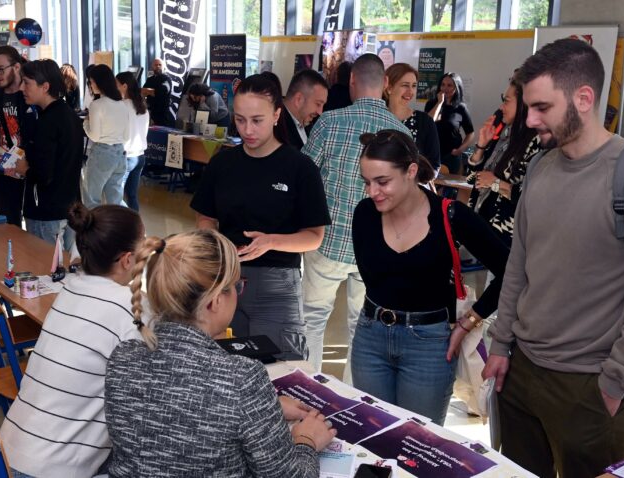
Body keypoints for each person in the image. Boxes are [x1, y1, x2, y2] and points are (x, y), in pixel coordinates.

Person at [482, 38, 624, 478]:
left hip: (589, 388)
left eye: (542, 107)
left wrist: (615, 382)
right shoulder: (540, 168)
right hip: (520, 374)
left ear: (584, 98)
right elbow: (520, 264)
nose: (530, 119)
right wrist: (502, 345)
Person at [104, 229, 336, 476]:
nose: (238, 292)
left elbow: (179, 411)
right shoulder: (241, 378)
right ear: (214, 301)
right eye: (236, 285)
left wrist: (263, 411)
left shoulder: (123, 357)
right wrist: (307, 441)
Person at [351, 130, 508, 424]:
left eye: (383, 181)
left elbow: (510, 271)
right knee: (373, 440)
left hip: (429, 344)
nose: (373, 192)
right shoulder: (365, 215)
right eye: (367, 182)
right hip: (370, 338)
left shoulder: (450, 215)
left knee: (418, 444)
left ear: (411, 171)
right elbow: (375, 280)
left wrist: (470, 321)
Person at [0, 203, 145, 478]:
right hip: (54, 468)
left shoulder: (69, 289)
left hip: (11, 450)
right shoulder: (128, 307)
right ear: (127, 259)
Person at [191, 74, 331, 361]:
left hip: (278, 285)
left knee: (282, 372)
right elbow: (205, 219)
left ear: (277, 114)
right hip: (226, 280)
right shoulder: (222, 164)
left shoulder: (300, 168)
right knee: (226, 369)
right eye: (240, 120)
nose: (247, 129)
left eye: (257, 120)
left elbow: (314, 237)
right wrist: (217, 245)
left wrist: (270, 241)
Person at [301, 53, 410, 380]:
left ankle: (310, 390)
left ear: (351, 81)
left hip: (327, 243)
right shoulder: (401, 133)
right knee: (360, 327)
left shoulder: (330, 122)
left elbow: (305, 177)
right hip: (375, 250)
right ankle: (352, 399)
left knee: (312, 319)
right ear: (386, 84)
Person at [12, 59, 84, 245]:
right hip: (69, 207)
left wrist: (24, 169)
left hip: (46, 211)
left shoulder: (47, 122)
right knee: (65, 269)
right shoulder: (69, 115)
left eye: (27, 83)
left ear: (45, 87)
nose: (22, 89)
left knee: (45, 268)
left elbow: (44, 173)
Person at [466, 76, 541, 246]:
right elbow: (473, 180)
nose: (501, 107)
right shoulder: (505, 138)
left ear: (523, 104)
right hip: (482, 226)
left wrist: (496, 183)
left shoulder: (537, 142)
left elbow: (533, 196)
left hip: (507, 237)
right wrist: (481, 146)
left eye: (506, 101)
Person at [0, 45, 37, 227]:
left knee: (37, 229)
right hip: (2, 173)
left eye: (1, 69)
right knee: (8, 227)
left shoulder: (31, 94)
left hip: (31, 172)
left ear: (17, 67)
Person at [82, 64, 130, 209]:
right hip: (120, 153)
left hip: (102, 153)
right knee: (115, 200)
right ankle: (125, 228)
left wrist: (85, 124)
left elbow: (95, 136)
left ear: (98, 82)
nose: (90, 84)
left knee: (91, 199)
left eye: (91, 81)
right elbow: (127, 135)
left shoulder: (97, 105)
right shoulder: (122, 104)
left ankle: (94, 231)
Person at [384, 63, 440, 172]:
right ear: (389, 88)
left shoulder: (425, 122)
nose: (410, 92)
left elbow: (434, 165)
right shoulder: (377, 118)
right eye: (405, 85)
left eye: (414, 86)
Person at [424, 72, 474, 174]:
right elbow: (428, 123)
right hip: (431, 153)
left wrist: (460, 149)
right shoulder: (431, 104)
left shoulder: (461, 108)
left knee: (448, 187)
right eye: (443, 85)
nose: (445, 88)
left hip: (451, 155)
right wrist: (439, 103)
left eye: (449, 85)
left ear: (457, 88)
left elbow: (470, 133)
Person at [116, 71, 149, 212]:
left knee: (117, 196)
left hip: (126, 155)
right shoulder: (142, 106)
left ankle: (121, 229)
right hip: (140, 155)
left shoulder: (121, 106)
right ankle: (137, 228)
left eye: (116, 84)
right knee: (132, 196)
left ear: (124, 86)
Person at [279, 69, 329, 151]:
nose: (320, 112)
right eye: (318, 104)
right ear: (299, 99)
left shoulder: (308, 123)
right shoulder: (276, 127)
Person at [142, 58, 173, 126]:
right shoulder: (150, 79)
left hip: (163, 114)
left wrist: (149, 91)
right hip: (151, 112)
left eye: (160, 65)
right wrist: (150, 92)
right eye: (156, 65)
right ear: (152, 66)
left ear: (163, 67)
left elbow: (162, 91)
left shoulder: (167, 79)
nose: (158, 66)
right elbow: (142, 91)